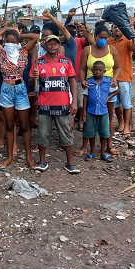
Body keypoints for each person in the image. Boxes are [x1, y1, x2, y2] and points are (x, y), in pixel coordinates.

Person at [0, 26, 39, 169]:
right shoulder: (0, 52)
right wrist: (5, 28)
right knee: (10, 125)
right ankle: (10, 157)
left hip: (20, 89)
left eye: (13, 41)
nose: (10, 44)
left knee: (24, 126)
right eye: (8, 41)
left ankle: (29, 158)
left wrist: (19, 35)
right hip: (6, 89)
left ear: (18, 42)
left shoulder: (23, 51)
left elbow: (36, 37)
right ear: (4, 42)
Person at [30, 35, 80, 174]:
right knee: (42, 133)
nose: (52, 46)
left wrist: (74, 101)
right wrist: (34, 77)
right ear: (44, 45)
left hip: (63, 105)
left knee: (65, 134)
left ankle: (70, 163)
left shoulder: (66, 61)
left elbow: (72, 82)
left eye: (55, 44)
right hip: (44, 105)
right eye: (49, 44)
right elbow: (31, 83)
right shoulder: (38, 63)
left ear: (59, 46)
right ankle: (42, 161)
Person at [78, 25, 121, 154]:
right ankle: (85, 146)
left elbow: (118, 67)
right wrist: (83, 80)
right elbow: (82, 69)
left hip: (108, 87)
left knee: (109, 116)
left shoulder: (112, 49)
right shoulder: (88, 50)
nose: (103, 39)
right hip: (91, 86)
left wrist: (115, 78)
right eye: (100, 37)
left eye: (106, 37)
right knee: (88, 115)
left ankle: (109, 145)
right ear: (95, 36)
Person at [109, 11, 135, 138]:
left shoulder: (128, 40)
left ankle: (127, 126)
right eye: (114, 27)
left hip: (124, 77)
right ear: (112, 30)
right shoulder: (109, 41)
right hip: (112, 78)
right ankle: (121, 123)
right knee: (116, 103)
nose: (116, 28)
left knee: (126, 103)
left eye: (118, 27)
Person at [81, 61, 120, 161]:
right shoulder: (88, 82)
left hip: (103, 112)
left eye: (100, 70)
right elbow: (85, 96)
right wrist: (84, 111)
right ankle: (92, 152)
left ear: (104, 71)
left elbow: (117, 90)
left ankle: (103, 153)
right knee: (91, 133)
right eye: (95, 70)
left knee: (104, 133)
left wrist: (108, 97)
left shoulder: (108, 81)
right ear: (92, 70)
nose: (97, 72)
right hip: (91, 112)